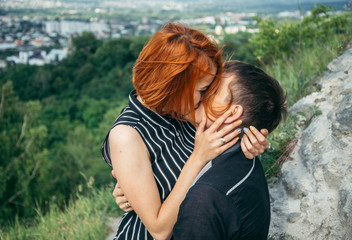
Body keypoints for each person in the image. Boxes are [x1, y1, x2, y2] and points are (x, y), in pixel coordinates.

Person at [102, 22, 269, 240]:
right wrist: (198, 157)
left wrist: (253, 138)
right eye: (203, 89)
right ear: (176, 83)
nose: (206, 98)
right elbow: (159, 230)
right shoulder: (126, 135)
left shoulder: (180, 110)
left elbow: (231, 118)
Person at [173, 60, 288, 240]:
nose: (199, 95)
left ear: (233, 113)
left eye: (211, 91)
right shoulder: (243, 159)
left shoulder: (205, 198)